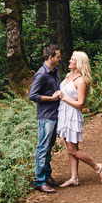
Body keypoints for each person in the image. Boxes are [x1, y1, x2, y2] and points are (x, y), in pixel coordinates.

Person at [56, 50, 102, 187]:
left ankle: (97, 166)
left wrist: (64, 98)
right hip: (63, 114)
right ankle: (74, 178)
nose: (70, 61)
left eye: (73, 59)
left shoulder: (81, 81)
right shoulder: (68, 75)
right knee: (70, 147)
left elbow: (80, 103)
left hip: (72, 115)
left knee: (73, 150)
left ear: (80, 63)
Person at [28, 44, 62, 193]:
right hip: (46, 116)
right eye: (58, 56)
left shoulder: (55, 71)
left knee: (49, 146)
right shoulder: (41, 74)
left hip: (55, 114)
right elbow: (32, 96)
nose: (60, 58)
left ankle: (47, 176)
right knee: (42, 147)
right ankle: (40, 181)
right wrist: (51, 98)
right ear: (50, 58)